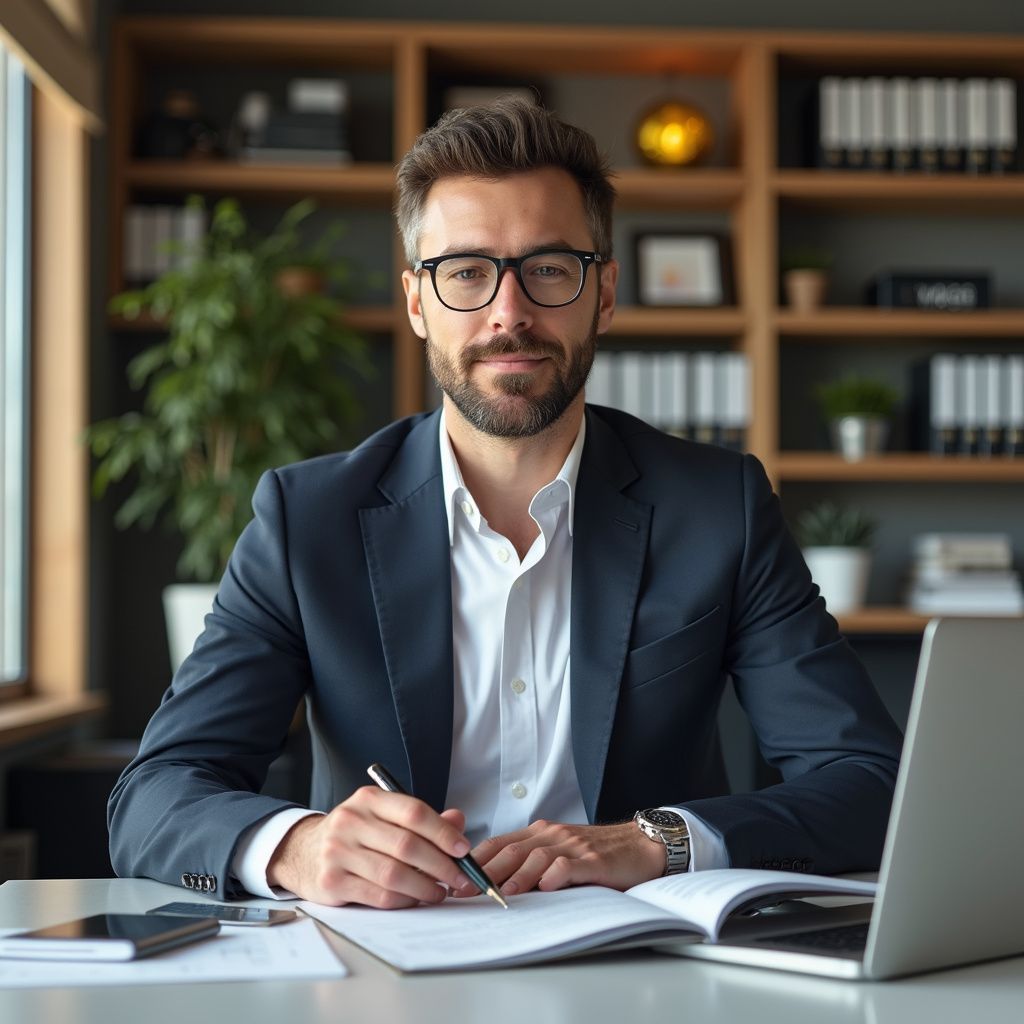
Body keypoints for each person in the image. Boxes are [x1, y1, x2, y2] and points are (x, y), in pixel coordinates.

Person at [108, 98, 902, 909]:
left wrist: (655, 841)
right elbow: (155, 795)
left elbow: (867, 780)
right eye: (466, 273)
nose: (509, 313)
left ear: (605, 294)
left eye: (550, 268)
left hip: (646, 967)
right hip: (386, 969)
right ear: (417, 301)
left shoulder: (717, 507)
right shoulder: (305, 518)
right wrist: (299, 847)